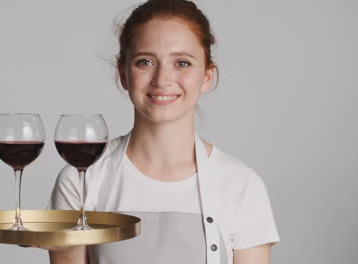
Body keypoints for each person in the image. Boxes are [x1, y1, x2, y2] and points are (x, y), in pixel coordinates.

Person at [46, 0, 280, 263]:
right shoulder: (81, 180)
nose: (162, 79)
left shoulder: (242, 186)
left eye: (182, 63)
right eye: (145, 62)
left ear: (207, 76)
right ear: (123, 73)